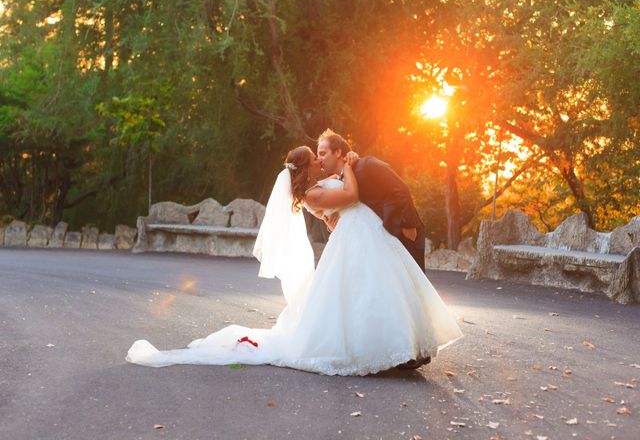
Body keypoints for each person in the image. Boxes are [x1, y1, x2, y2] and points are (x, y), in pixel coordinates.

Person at [126, 146, 462, 375]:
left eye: (321, 156)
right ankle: (386, 350)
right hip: (354, 239)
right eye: (315, 159)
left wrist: (344, 183)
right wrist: (346, 169)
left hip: (358, 236)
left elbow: (333, 217)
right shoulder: (311, 194)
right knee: (365, 295)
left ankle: (402, 349)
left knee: (375, 291)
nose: (319, 161)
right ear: (305, 167)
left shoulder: (313, 189)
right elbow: (349, 197)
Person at [317, 129, 426, 271]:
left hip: (402, 231)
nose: (319, 159)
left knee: (413, 285)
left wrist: (409, 225)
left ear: (337, 152)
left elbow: (400, 188)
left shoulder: (367, 164)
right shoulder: (341, 181)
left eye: (322, 153)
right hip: (378, 241)